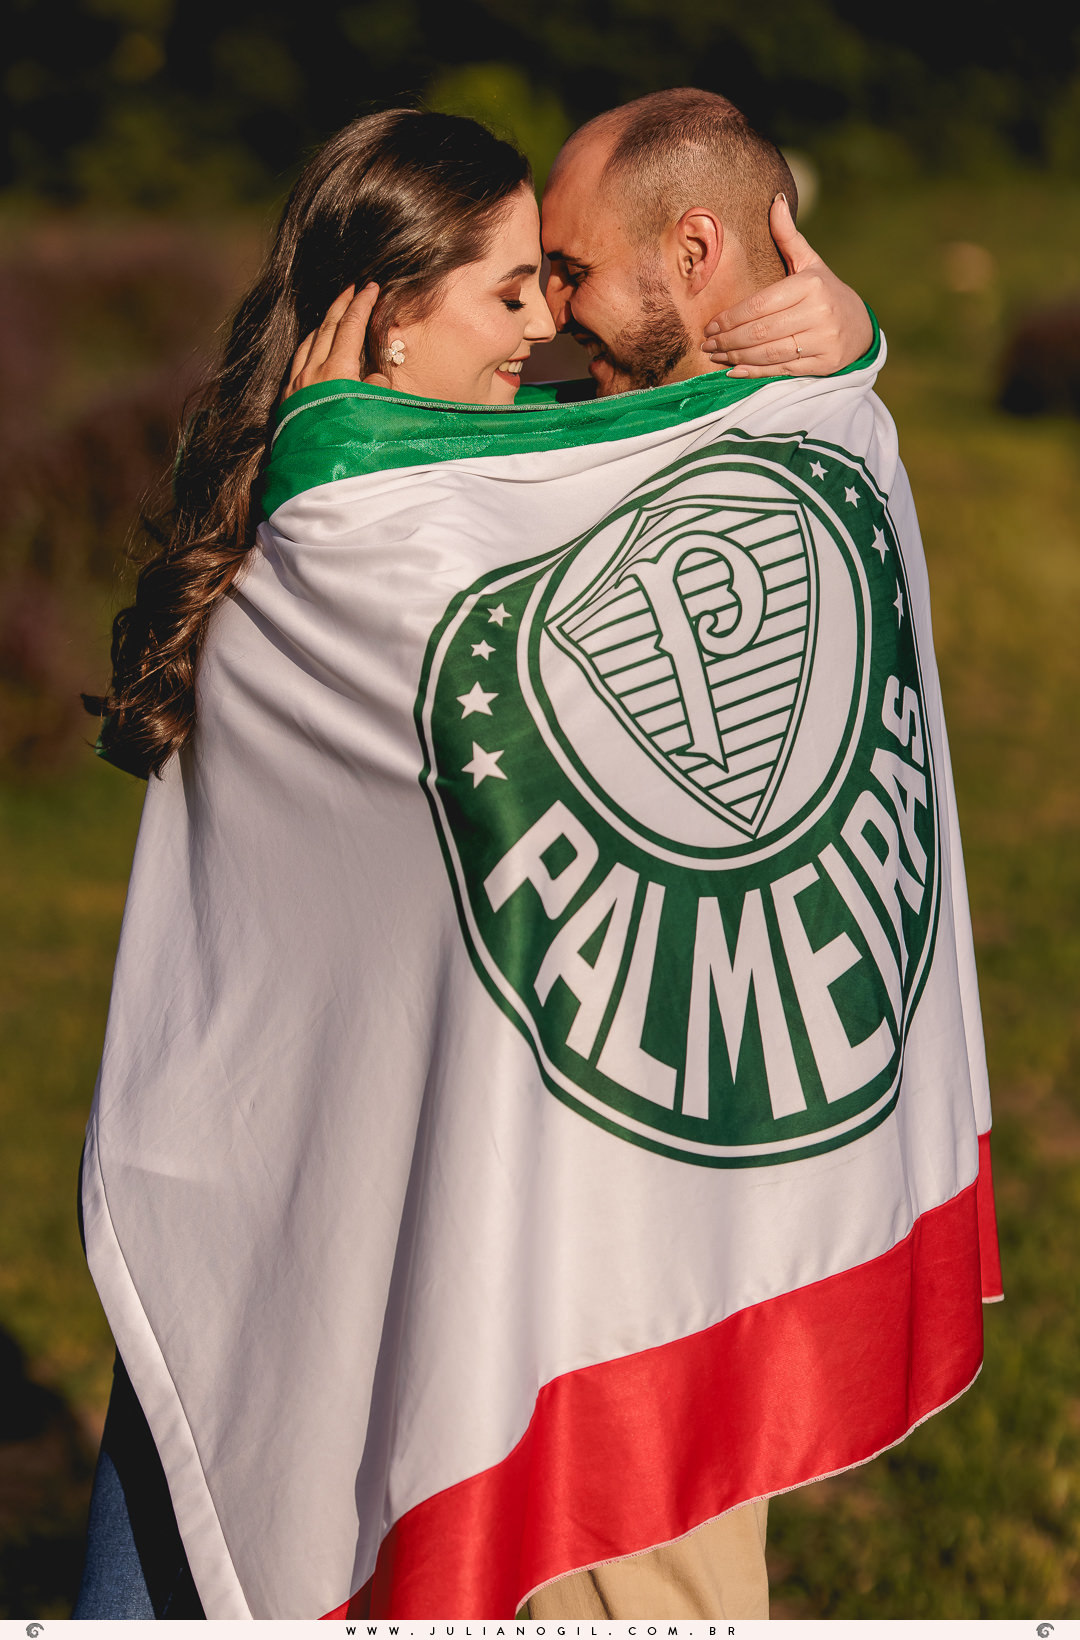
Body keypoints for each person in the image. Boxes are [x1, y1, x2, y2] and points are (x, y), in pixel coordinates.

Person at [77, 96, 999, 1622]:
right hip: (368, 1199)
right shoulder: (349, 547)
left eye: (558, 278)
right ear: (389, 317)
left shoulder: (478, 487)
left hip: (520, 1220)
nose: (548, 328)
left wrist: (847, 356)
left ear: (692, 250)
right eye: (516, 289)